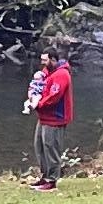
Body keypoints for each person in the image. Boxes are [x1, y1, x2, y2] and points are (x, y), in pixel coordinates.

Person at [25, 40, 74, 187]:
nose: (42, 63)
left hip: (55, 118)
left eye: (45, 60)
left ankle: (52, 180)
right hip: (44, 117)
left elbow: (53, 97)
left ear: (53, 59)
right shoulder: (46, 72)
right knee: (39, 146)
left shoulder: (62, 75)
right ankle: (44, 176)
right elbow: (37, 86)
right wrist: (31, 95)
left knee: (51, 147)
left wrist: (38, 104)